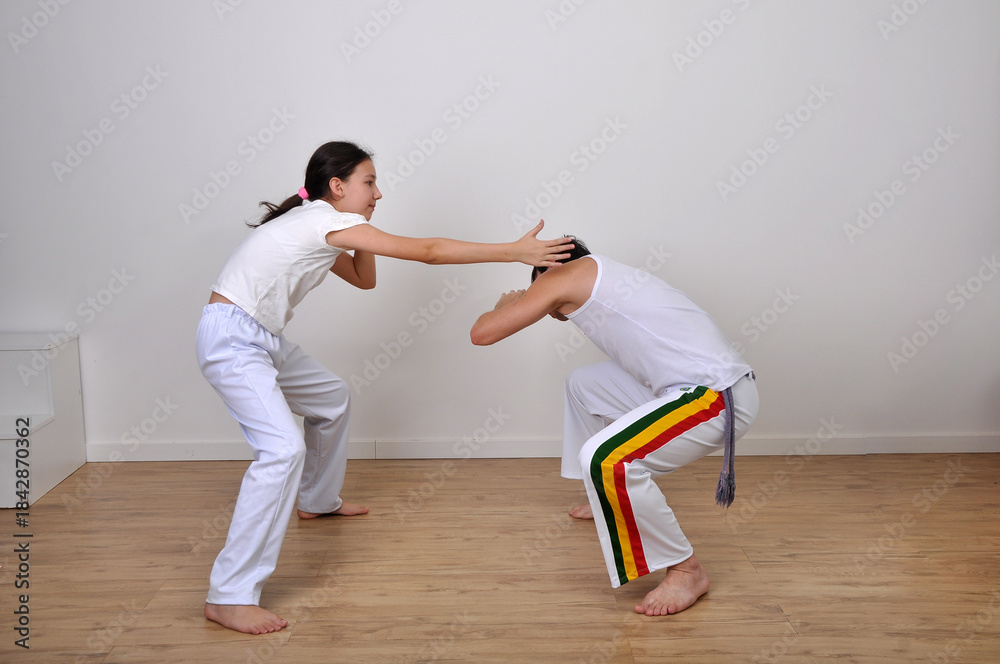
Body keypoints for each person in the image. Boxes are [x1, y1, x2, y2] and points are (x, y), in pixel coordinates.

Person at [196, 140, 573, 635]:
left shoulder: (318, 223)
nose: (378, 193)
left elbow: (361, 278)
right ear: (337, 186)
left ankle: (316, 500)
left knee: (331, 399)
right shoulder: (316, 221)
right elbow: (430, 253)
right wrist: (513, 252)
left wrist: (362, 233)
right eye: (368, 182)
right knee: (281, 450)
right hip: (232, 337)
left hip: (260, 338)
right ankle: (229, 595)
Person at [470, 237, 758, 616]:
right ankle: (599, 495)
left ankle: (687, 570)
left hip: (716, 394)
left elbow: (482, 333)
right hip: (687, 384)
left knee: (605, 458)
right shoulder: (598, 275)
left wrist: (504, 306)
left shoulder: (562, 276)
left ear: (551, 268)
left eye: (537, 283)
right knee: (584, 384)